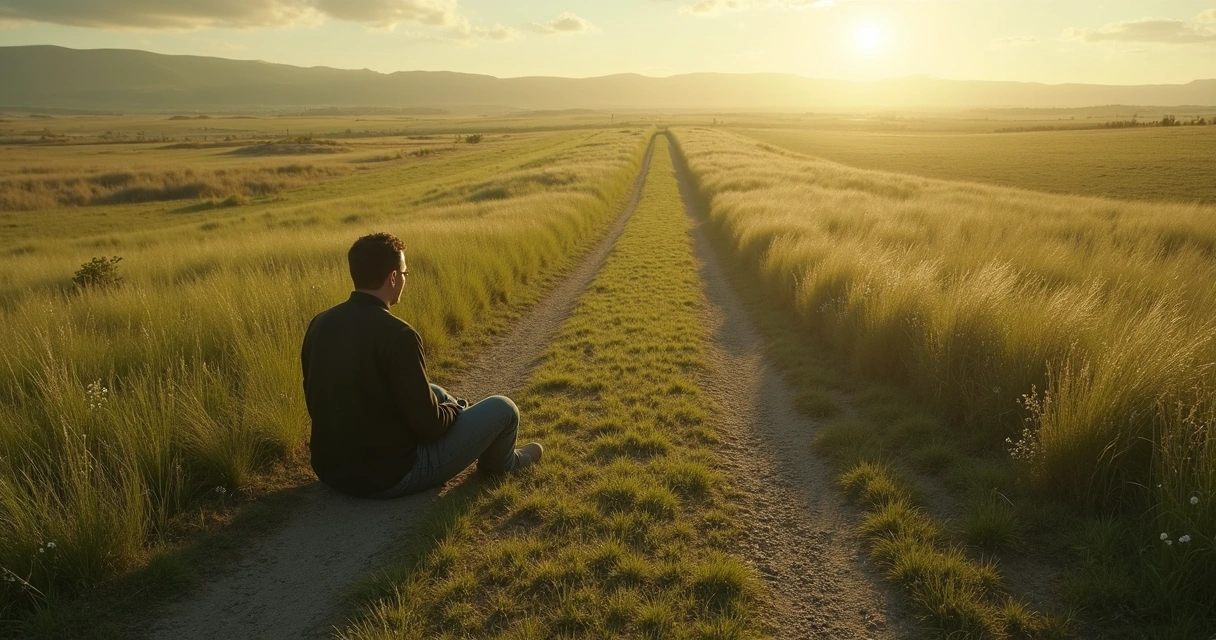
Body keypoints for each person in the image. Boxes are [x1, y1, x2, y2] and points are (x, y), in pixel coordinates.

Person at [301, 232, 542, 498]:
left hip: (331, 471)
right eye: (404, 274)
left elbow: (316, 402)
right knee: (503, 408)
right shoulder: (399, 334)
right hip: (390, 475)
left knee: (432, 390)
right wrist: (454, 410)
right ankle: (503, 462)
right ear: (393, 278)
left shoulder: (319, 323)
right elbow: (431, 429)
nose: (404, 279)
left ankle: (472, 428)